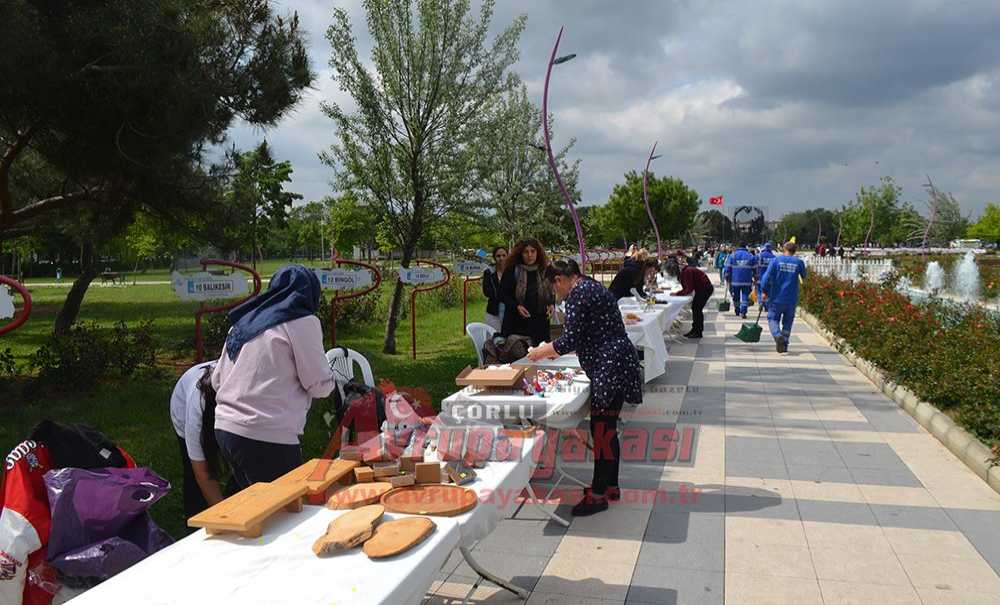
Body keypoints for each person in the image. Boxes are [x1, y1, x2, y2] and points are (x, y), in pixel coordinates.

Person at [527, 259, 642, 516]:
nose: (556, 293)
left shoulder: (578, 294)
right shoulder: (591, 286)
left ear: (559, 279)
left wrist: (539, 352)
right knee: (606, 428)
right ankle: (610, 484)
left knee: (601, 429)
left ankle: (598, 494)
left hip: (609, 366)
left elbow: (569, 339)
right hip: (617, 362)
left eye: (553, 287)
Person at [212, 265, 335, 492]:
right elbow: (319, 385)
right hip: (266, 434)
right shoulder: (302, 322)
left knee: (256, 506)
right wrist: (333, 379)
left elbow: (217, 379)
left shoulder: (245, 320)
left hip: (226, 428)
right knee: (285, 510)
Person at [170, 361, 224, 518]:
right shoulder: (197, 408)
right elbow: (202, 473)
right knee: (194, 477)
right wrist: (226, 517)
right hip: (184, 408)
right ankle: (195, 522)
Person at [499, 238, 554, 346]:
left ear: (538, 252)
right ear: (520, 254)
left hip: (540, 323)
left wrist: (551, 304)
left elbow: (551, 290)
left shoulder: (545, 269)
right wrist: (517, 306)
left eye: (533, 251)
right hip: (517, 322)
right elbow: (502, 294)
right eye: (526, 252)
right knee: (519, 357)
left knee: (541, 357)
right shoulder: (512, 270)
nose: (530, 255)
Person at [761, 241, 808, 353]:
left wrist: (764, 291)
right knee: (788, 321)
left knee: (772, 318)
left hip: (776, 297)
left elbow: (766, 278)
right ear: (794, 251)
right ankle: (784, 343)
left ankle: (778, 336)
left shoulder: (775, 261)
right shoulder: (799, 262)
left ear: (784, 249)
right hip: (791, 298)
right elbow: (804, 276)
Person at [664, 261, 714, 339]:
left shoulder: (687, 272)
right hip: (702, 288)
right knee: (695, 309)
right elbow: (687, 287)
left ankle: (698, 332)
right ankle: (695, 330)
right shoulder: (684, 271)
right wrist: (680, 292)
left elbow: (688, 289)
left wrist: (677, 293)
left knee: (696, 309)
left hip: (705, 289)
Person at [724, 241, 757, 318]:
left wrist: (727, 277)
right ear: (746, 247)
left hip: (735, 281)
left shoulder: (733, 255)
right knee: (745, 296)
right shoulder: (750, 256)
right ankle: (743, 312)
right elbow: (755, 269)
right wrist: (756, 278)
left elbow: (728, 268)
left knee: (736, 296)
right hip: (747, 280)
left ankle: (737, 310)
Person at [481, 246, 508, 331]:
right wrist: (502, 293)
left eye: (504, 255)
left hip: (509, 310)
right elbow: (486, 291)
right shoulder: (489, 272)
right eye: (498, 256)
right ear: (494, 258)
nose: (501, 258)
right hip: (493, 310)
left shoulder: (512, 271)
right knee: (494, 335)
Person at [755, 243, 777, 310]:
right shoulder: (774, 257)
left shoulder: (759, 256)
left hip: (760, 277)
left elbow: (754, 265)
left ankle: (761, 303)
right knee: (769, 293)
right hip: (770, 279)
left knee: (759, 291)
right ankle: (767, 306)